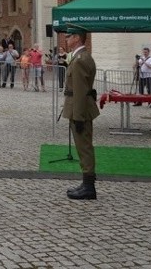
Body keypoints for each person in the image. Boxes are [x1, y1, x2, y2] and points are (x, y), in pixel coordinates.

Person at [62, 26, 99, 200]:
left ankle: (89, 186)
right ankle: (86, 183)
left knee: (84, 148)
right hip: (80, 108)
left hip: (80, 110)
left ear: (77, 38)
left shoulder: (79, 60)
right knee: (83, 147)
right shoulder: (80, 57)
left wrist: (77, 116)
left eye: (69, 36)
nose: (66, 39)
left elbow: (79, 90)